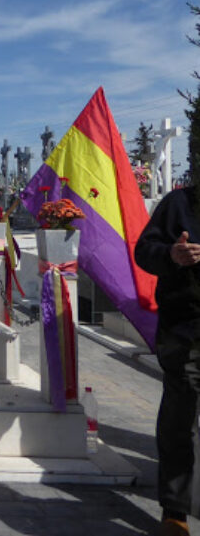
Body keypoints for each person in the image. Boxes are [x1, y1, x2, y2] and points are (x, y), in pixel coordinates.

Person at [135, 188, 200, 536]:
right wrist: (173, 255)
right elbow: (145, 251)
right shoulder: (178, 204)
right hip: (186, 327)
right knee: (181, 416)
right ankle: (176, 511)